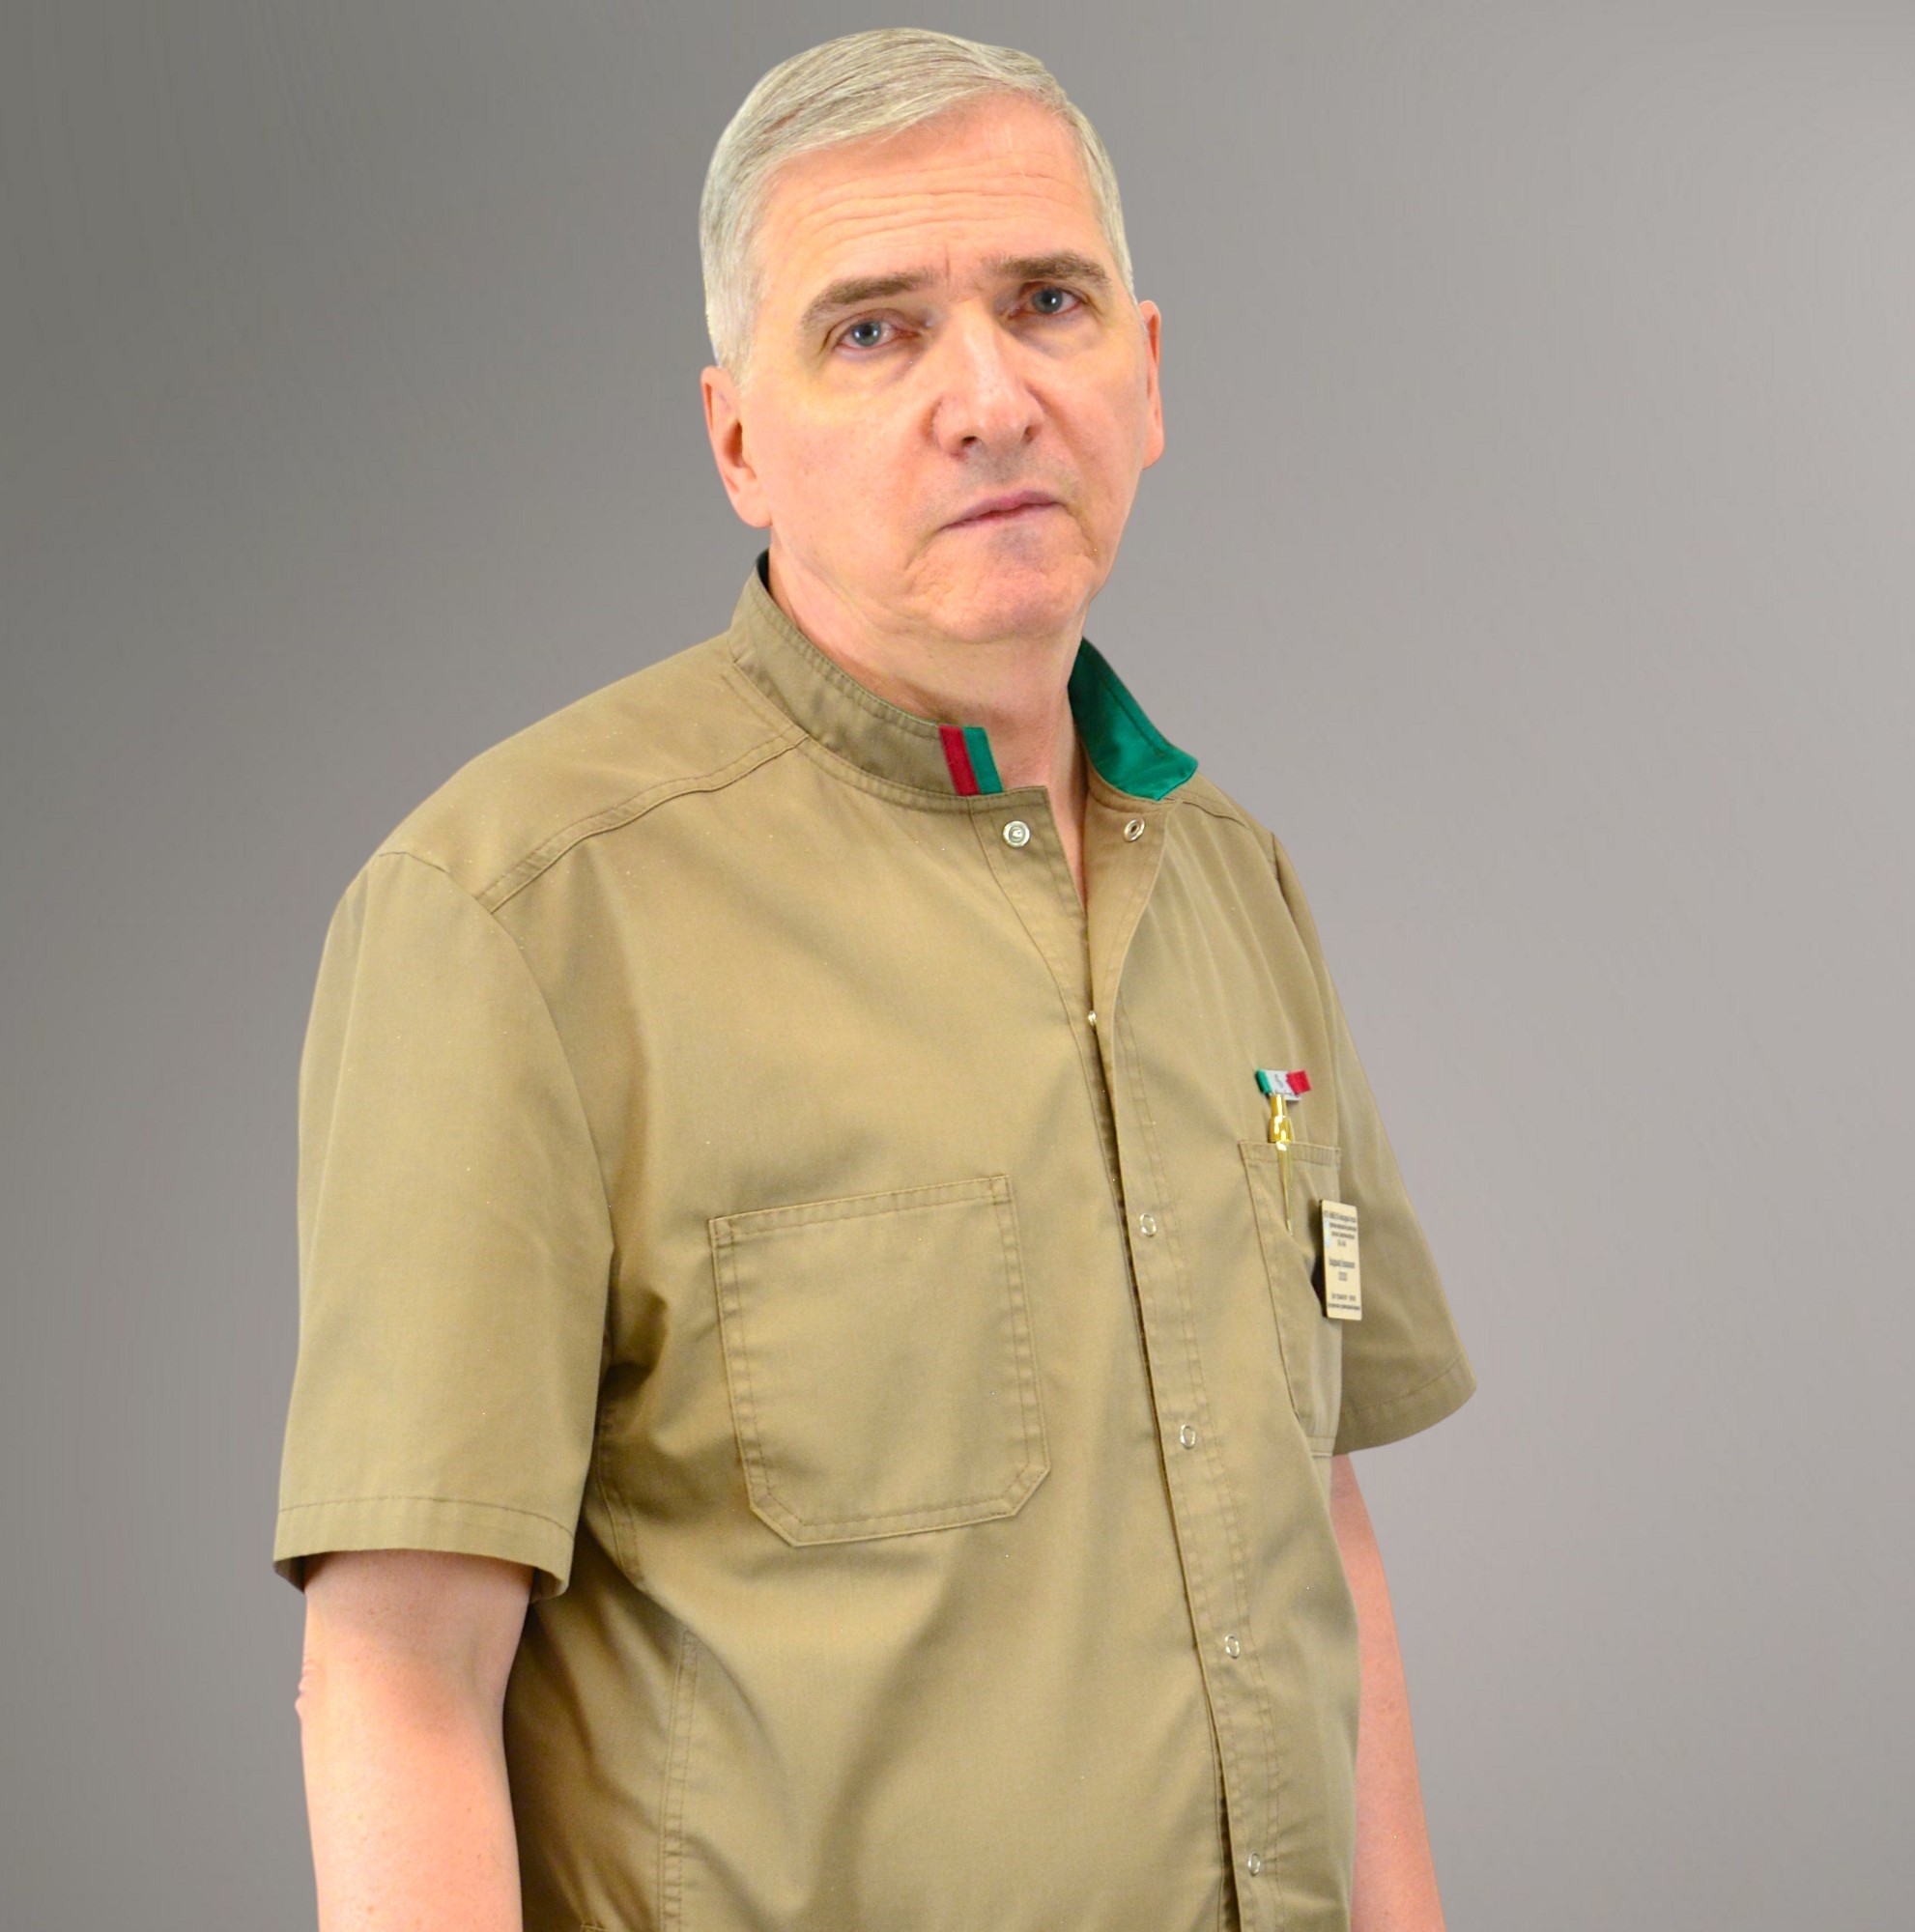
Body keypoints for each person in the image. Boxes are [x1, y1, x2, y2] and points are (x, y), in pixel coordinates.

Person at [277, 28, 1475, 1932]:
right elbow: (399, 1676)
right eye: (872, 331)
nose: (988, 398)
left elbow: (1317, 1523)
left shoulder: (1233, 880)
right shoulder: (516, 912)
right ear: (737, 440)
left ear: (1147, 374)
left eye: (1048, 303)